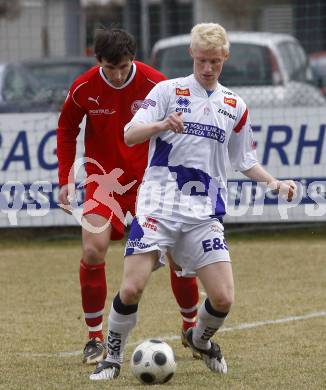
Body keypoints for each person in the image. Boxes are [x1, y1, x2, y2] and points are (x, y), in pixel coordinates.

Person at [89, 22, 297, 380]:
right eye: (201, 60)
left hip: (204, 213)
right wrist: (160, 125)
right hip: (158, 206)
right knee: (132, 286)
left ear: (225, 58)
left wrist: (274, 183)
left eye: (214, 61)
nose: (207, 68)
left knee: (224, 298)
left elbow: (244, 159)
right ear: (191, 55)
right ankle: (112, 357)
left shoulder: (236, 105)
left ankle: (198, 339)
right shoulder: (167, 91)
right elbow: (130, 133)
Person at [56, 27, 200, 365]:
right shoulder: (84, 87)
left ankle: (191, 328)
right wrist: (66, 178)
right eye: (110, 68)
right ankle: (94, 339)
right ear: (99, 61)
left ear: (133, 59)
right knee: (93, 250)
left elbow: (180, 129)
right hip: (103, 182)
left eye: (124, 67)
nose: (118, 75)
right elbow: (66, 129)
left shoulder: (156, 84)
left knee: (179, 256)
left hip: (151, 182)